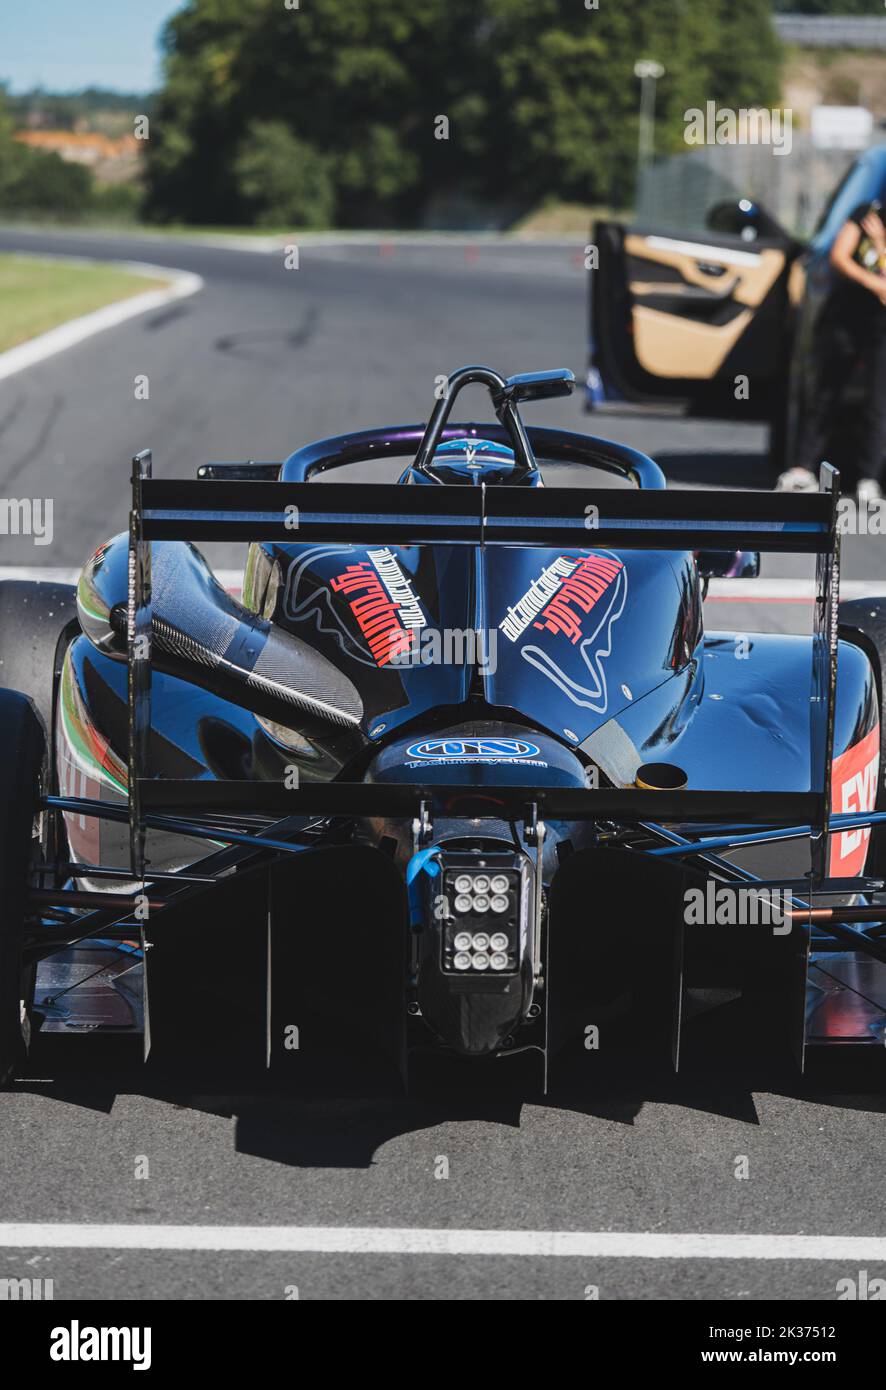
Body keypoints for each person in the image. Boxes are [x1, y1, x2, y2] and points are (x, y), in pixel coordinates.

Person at [778, 200, 886, 499]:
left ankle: (869, 477)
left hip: (881, 327)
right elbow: (840, 256)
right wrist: (873, 283)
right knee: (826, 393)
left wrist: (879, 243)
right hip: (846, 318)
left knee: (878, 403)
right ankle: (802, 469)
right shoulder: (867, 213)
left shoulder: (876, 231)